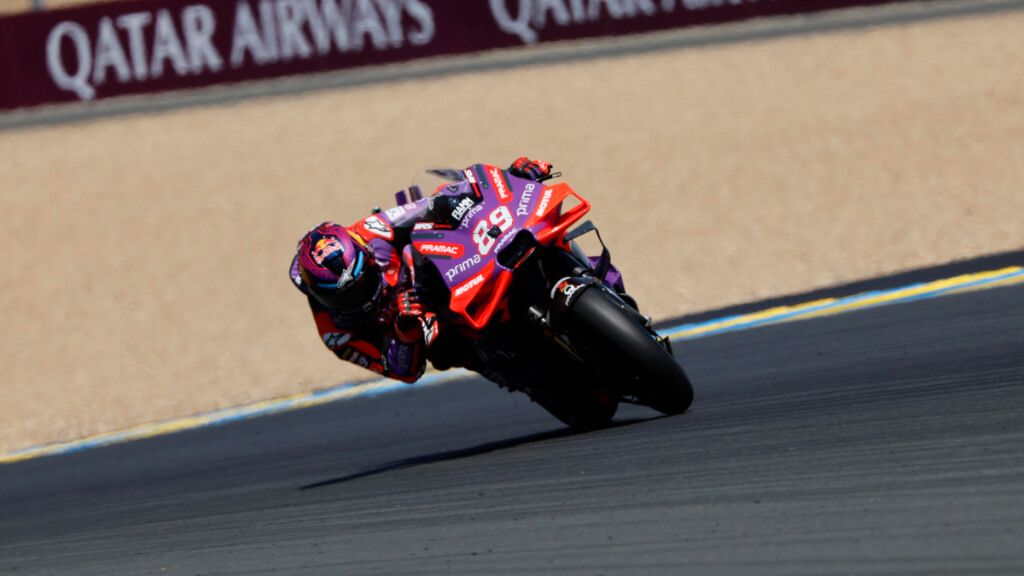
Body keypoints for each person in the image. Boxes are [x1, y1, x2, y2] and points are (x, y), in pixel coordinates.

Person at [289, 157, 555, 383]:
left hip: (445, 274)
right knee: (451, 351)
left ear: (367, 254)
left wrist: (510, 177)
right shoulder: (336, 333)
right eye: (343, 297)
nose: (360, 297)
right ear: (318, 295)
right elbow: (403, 372)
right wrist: (406, 331)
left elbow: (434, 202)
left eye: (364, 281)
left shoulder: (371, 231)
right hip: (431, 330)